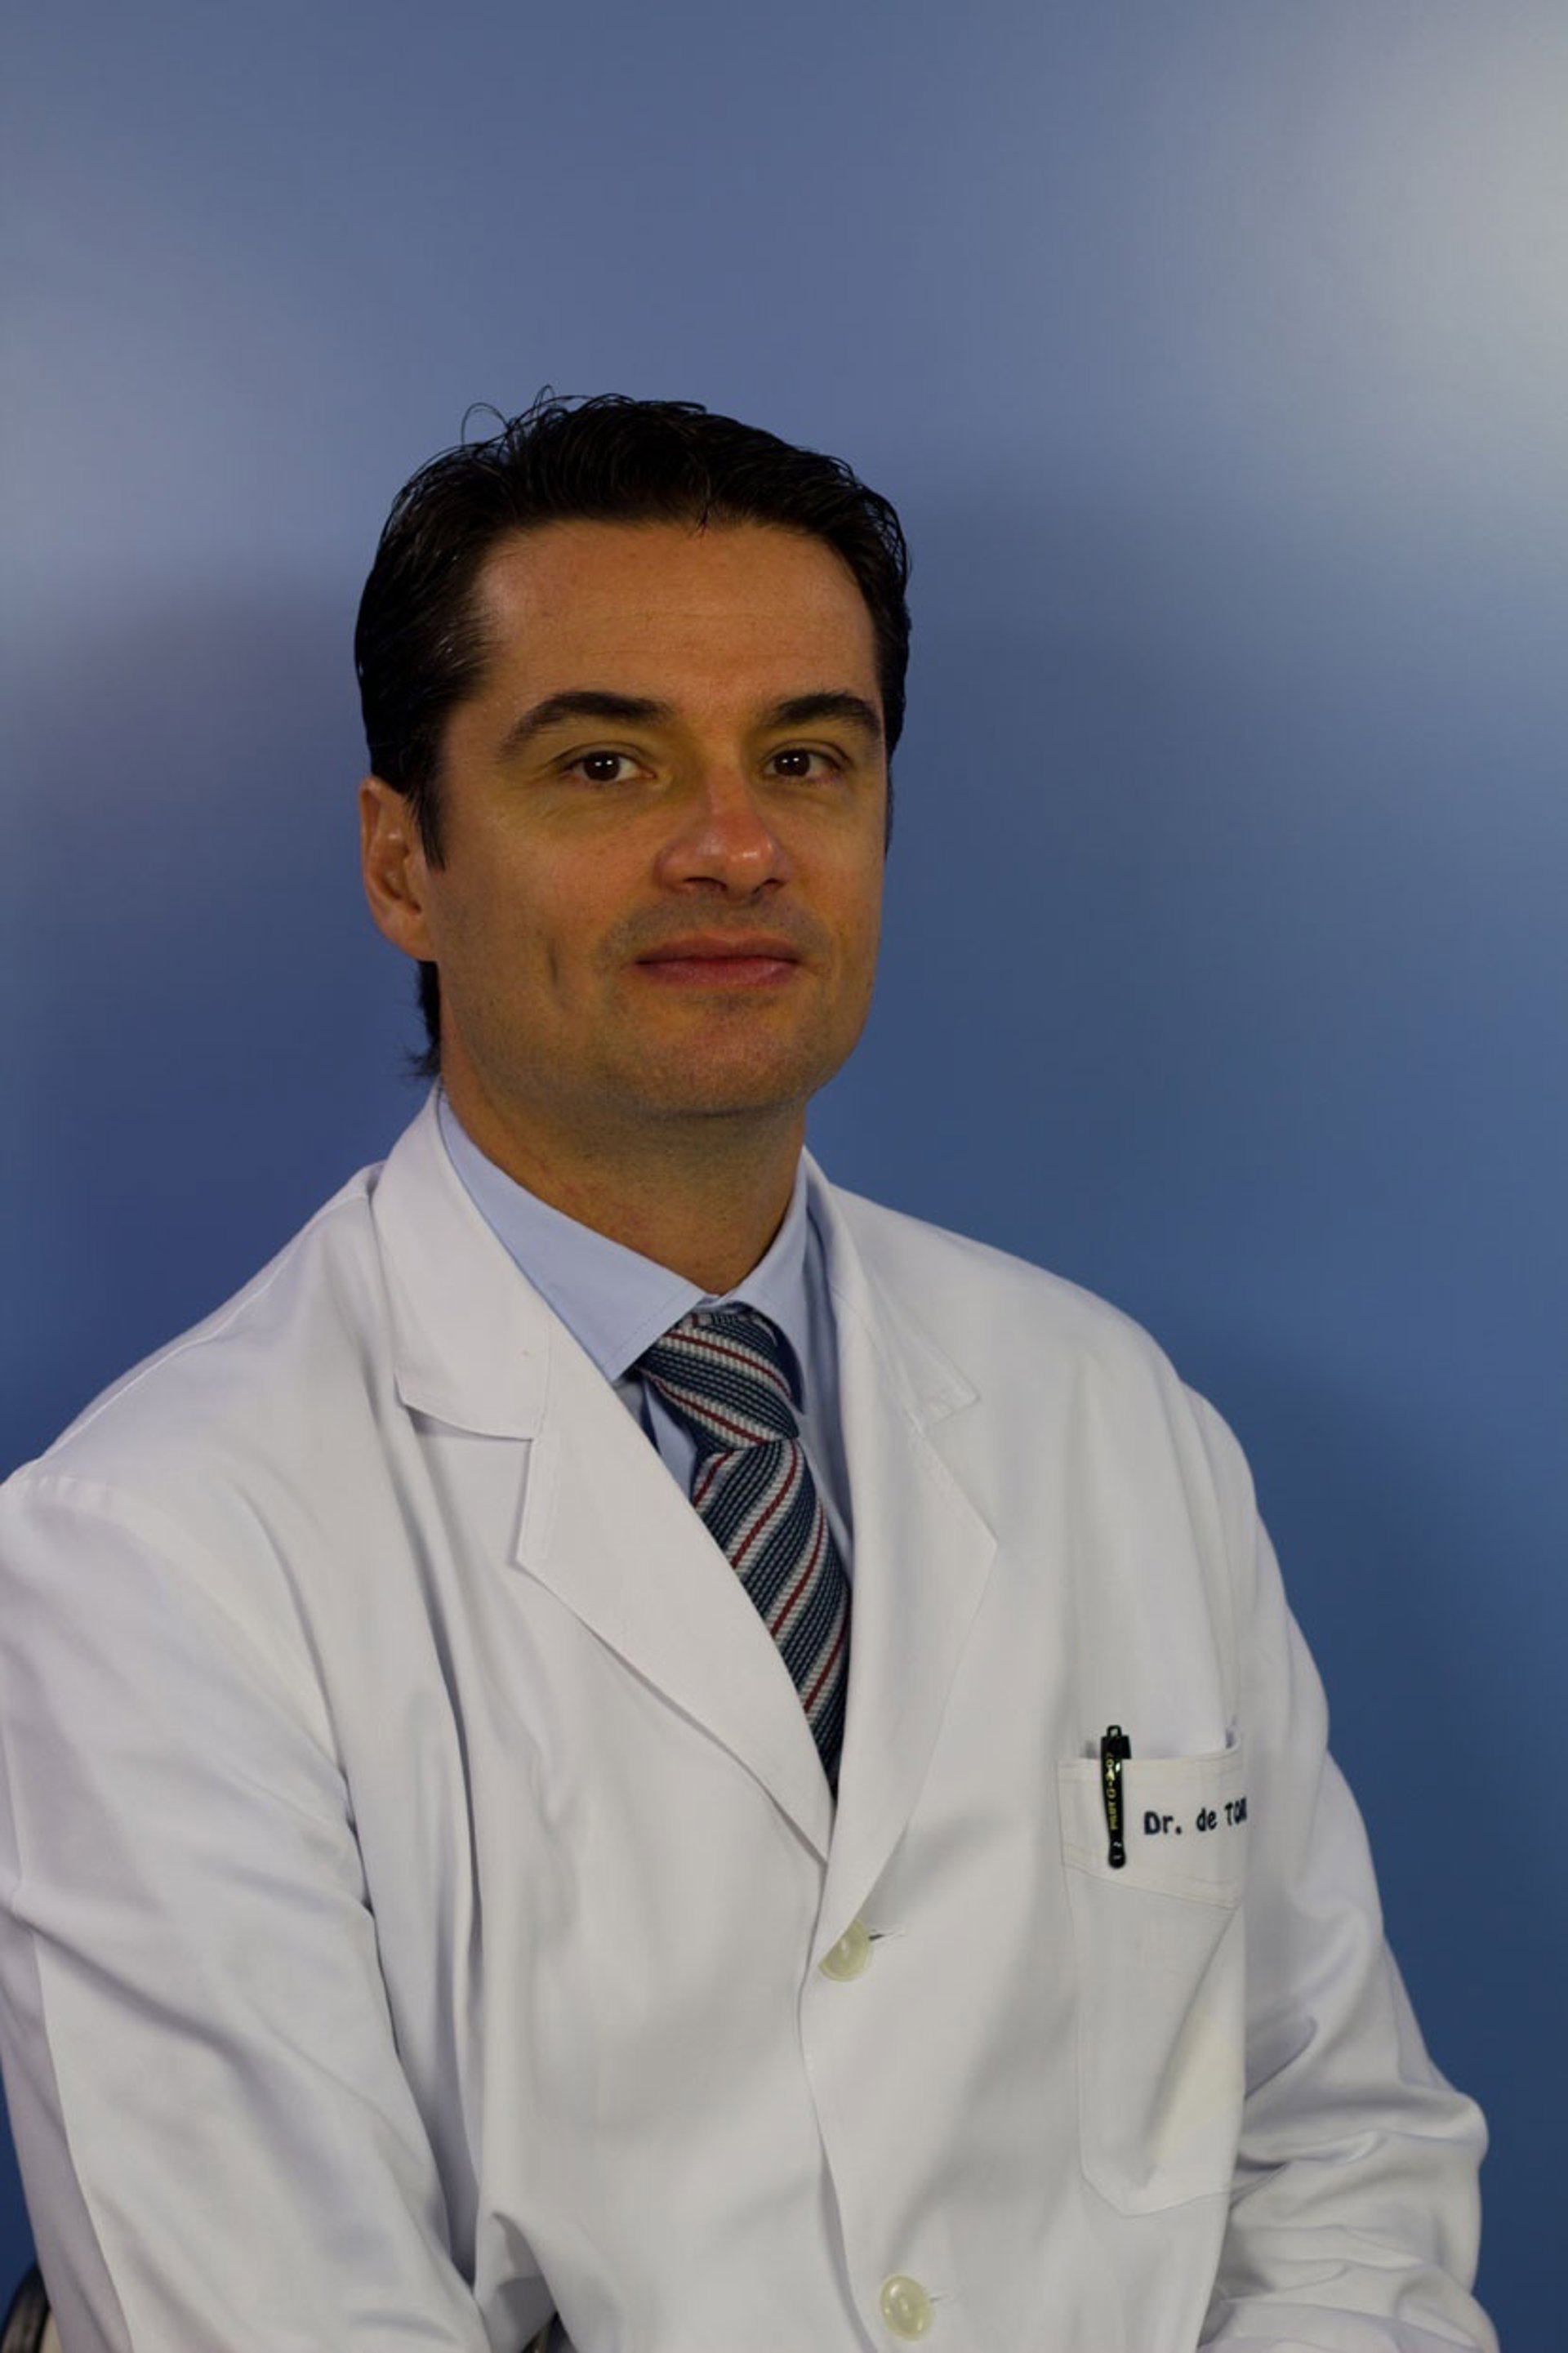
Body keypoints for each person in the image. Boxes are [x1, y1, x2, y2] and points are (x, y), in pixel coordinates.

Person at [0, 396, 1494, 2353]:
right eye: (604, 761)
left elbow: (1340, 2156)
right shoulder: (150, 1553)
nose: (733, 845)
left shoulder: (1107, 1415)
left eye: (806, 757)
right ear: (404, 863)